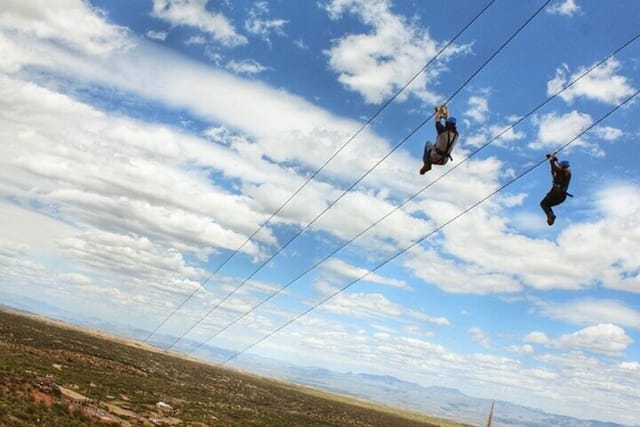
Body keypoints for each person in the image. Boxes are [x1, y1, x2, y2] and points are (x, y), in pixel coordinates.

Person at [420, 105, 459, 175]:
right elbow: (448, 123)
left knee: (428, 143)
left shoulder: (442, 130)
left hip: (434, 157)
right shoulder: (456, 134)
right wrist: (447, 112)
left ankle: (426, 164)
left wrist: (438, 112)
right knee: (438, 144)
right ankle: (428, 162)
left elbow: (437, 120)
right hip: (444, 161)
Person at [540, 153, 572, 226]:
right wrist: (555, 160)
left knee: (543, 204)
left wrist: (551, 160)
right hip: (562, 196)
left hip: (555, 193)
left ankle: (550, 215)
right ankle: (551, 216)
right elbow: (559, 167)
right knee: (546, 205)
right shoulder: (568, 173)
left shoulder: (559, 171)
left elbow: (554, 167)